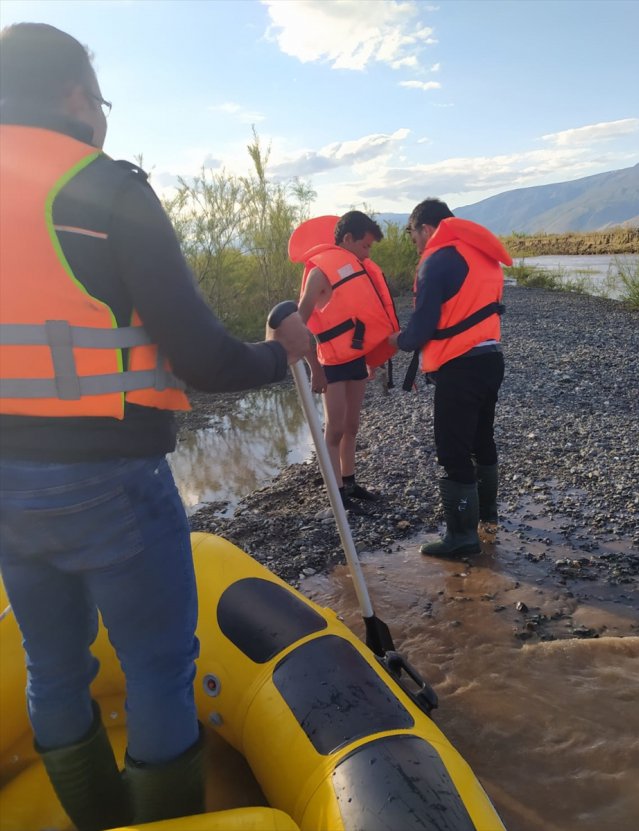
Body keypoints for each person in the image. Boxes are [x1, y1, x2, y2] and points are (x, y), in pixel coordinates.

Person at [0, 22, 310, 831]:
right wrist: (280, 355)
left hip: (6, 488)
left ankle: (98, 818)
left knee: (53, 669)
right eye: (99, 99)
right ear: (75, 96)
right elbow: (204, 358)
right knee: (160, 668)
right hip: (113, 485)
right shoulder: (105, 191)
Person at [390, 198, 511, 557]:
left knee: (452, 452)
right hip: (491, 359)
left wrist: (397, 340)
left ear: (426, 229)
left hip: (459, 368)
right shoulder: (482, 255)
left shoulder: (438, 259)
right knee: (481, 441)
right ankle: (487, 519)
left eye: (413, 236)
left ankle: (461, 539)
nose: (415, 244)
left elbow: (420, 330)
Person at [294, 211, 399, 511]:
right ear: (348, 239)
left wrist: (373, 359)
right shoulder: (319, 273)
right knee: (335, 429)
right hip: (331, 364)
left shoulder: (358, 270)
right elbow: (299, 327)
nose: (368, 254)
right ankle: (336, 493)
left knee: (352, 426)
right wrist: (314, 368)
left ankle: (349, 483)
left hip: (355, 359)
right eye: (365, 246)